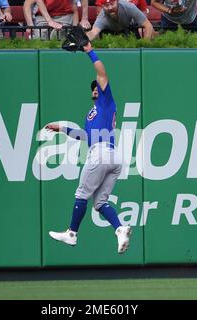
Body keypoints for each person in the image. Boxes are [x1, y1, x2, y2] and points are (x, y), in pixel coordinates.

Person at [45, 41, 133, 254]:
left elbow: (102, 73)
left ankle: (72, 233)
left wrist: (89, 51)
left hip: (102, 154)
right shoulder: (92, 113)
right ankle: (120, 229)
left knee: (81, 193)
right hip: (111, 157)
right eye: (93, 88)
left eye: (97, 87)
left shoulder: (106, 102)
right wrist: (63, 129)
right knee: (100, 202)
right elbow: (86, 136)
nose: (95, 89)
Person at [86, 0, 154, 40]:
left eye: (112, 4)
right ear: (102, 6)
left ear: (117, 1)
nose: (110, 8)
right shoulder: (102, 17)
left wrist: (144, 44)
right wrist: (82, 40)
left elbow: (148, 26)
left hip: (129, 30)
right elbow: (93, 32)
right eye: (106, 5)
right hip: (109, 34)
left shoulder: (129, 7)